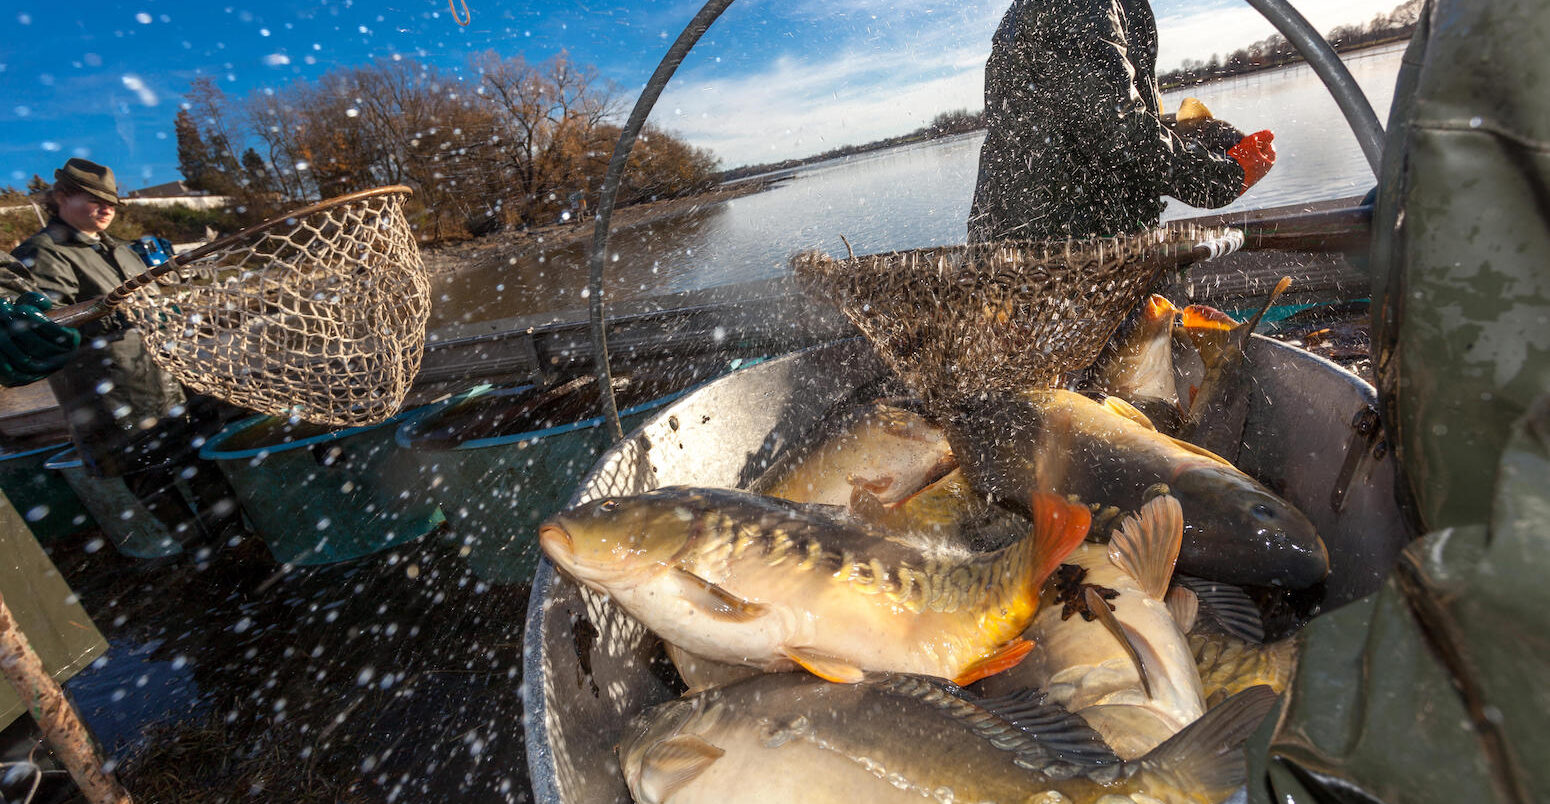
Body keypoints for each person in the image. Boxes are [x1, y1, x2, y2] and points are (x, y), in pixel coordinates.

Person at [1, 158, 236, 550]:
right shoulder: (43, 254)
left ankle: (234, 543)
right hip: (111, 399)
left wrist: (165, 313)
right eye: (93, 199)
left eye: (111, 201)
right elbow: (49, 326)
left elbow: (154, 302)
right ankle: (201, 555)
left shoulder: (125, 252)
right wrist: (119, 317)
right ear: (61, 197)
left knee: (202, 467)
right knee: (153, 481)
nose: (106, 208)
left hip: (167, 383)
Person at [967, 0, 1277, 243]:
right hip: (1054, 250)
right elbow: (1116, 134)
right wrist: (1222, 178)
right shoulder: (1077, 4)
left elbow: (1094, 120)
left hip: (1043, 237)